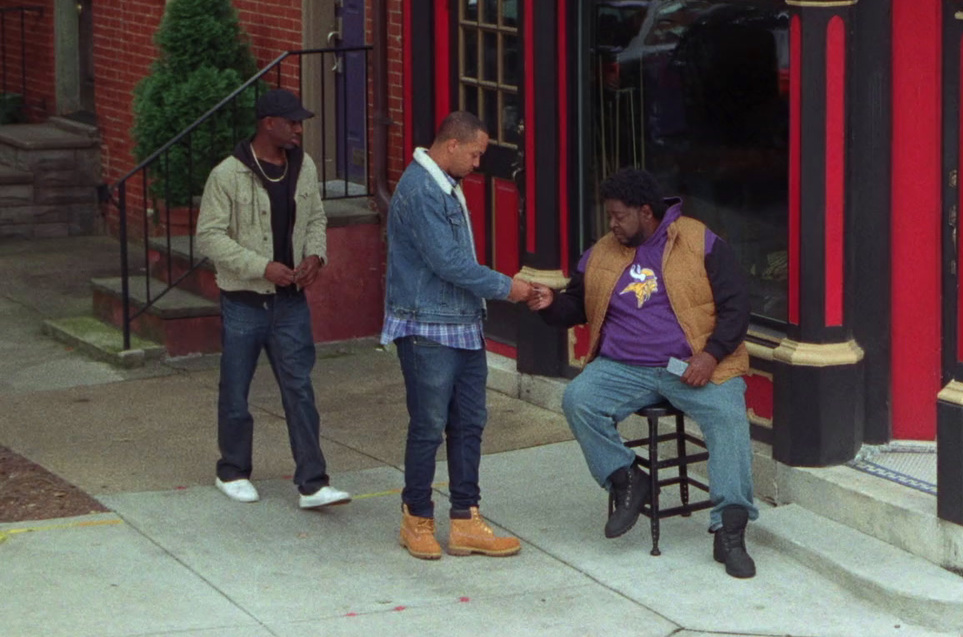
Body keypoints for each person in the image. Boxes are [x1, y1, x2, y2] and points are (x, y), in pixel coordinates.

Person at [529, 167, 758, 578]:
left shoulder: (698, 241)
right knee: (578, 399)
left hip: (692, 364)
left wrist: (710, 356)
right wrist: (550, 304)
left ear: (646, 212)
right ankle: (628, 479)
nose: (611, 224)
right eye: (609, 216)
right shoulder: (601, 252)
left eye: (619, 216)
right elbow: (577, 306)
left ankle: (729, 530)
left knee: (727, 414)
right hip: (624, 367)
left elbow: (737, 306)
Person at [385, 110, 538, 561]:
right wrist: (510, 287)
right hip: (426, 327)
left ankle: (466, 519)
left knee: (470, 423)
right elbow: (448, 263)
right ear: (452, 145)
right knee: (430, 426)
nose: (478, 163)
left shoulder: (444, 184)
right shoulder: (420, 191)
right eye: (475, 153)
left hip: (463, 326)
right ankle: (416, 519)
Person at [195, 88, 350, 510]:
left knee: (300, 388)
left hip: (290, 302)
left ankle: (313, 483)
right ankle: (232, 470)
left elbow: (316, 218)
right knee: (236, 389)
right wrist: (261, 266)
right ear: (268, 124)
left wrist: (315, 255)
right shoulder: (228, 175)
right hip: (244, 301)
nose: (299, 129)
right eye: (292, 122)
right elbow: (208, 237)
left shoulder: (304, 167)